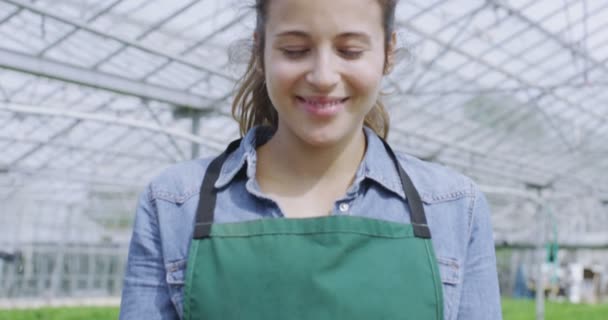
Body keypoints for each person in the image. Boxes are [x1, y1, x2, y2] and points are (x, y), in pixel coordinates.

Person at [119, 0, 502, 319]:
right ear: (260, 52)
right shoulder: (174, 203)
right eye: (295, 50)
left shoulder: (453, 206)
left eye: (350, 50)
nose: (322, 75)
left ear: (388, 53)